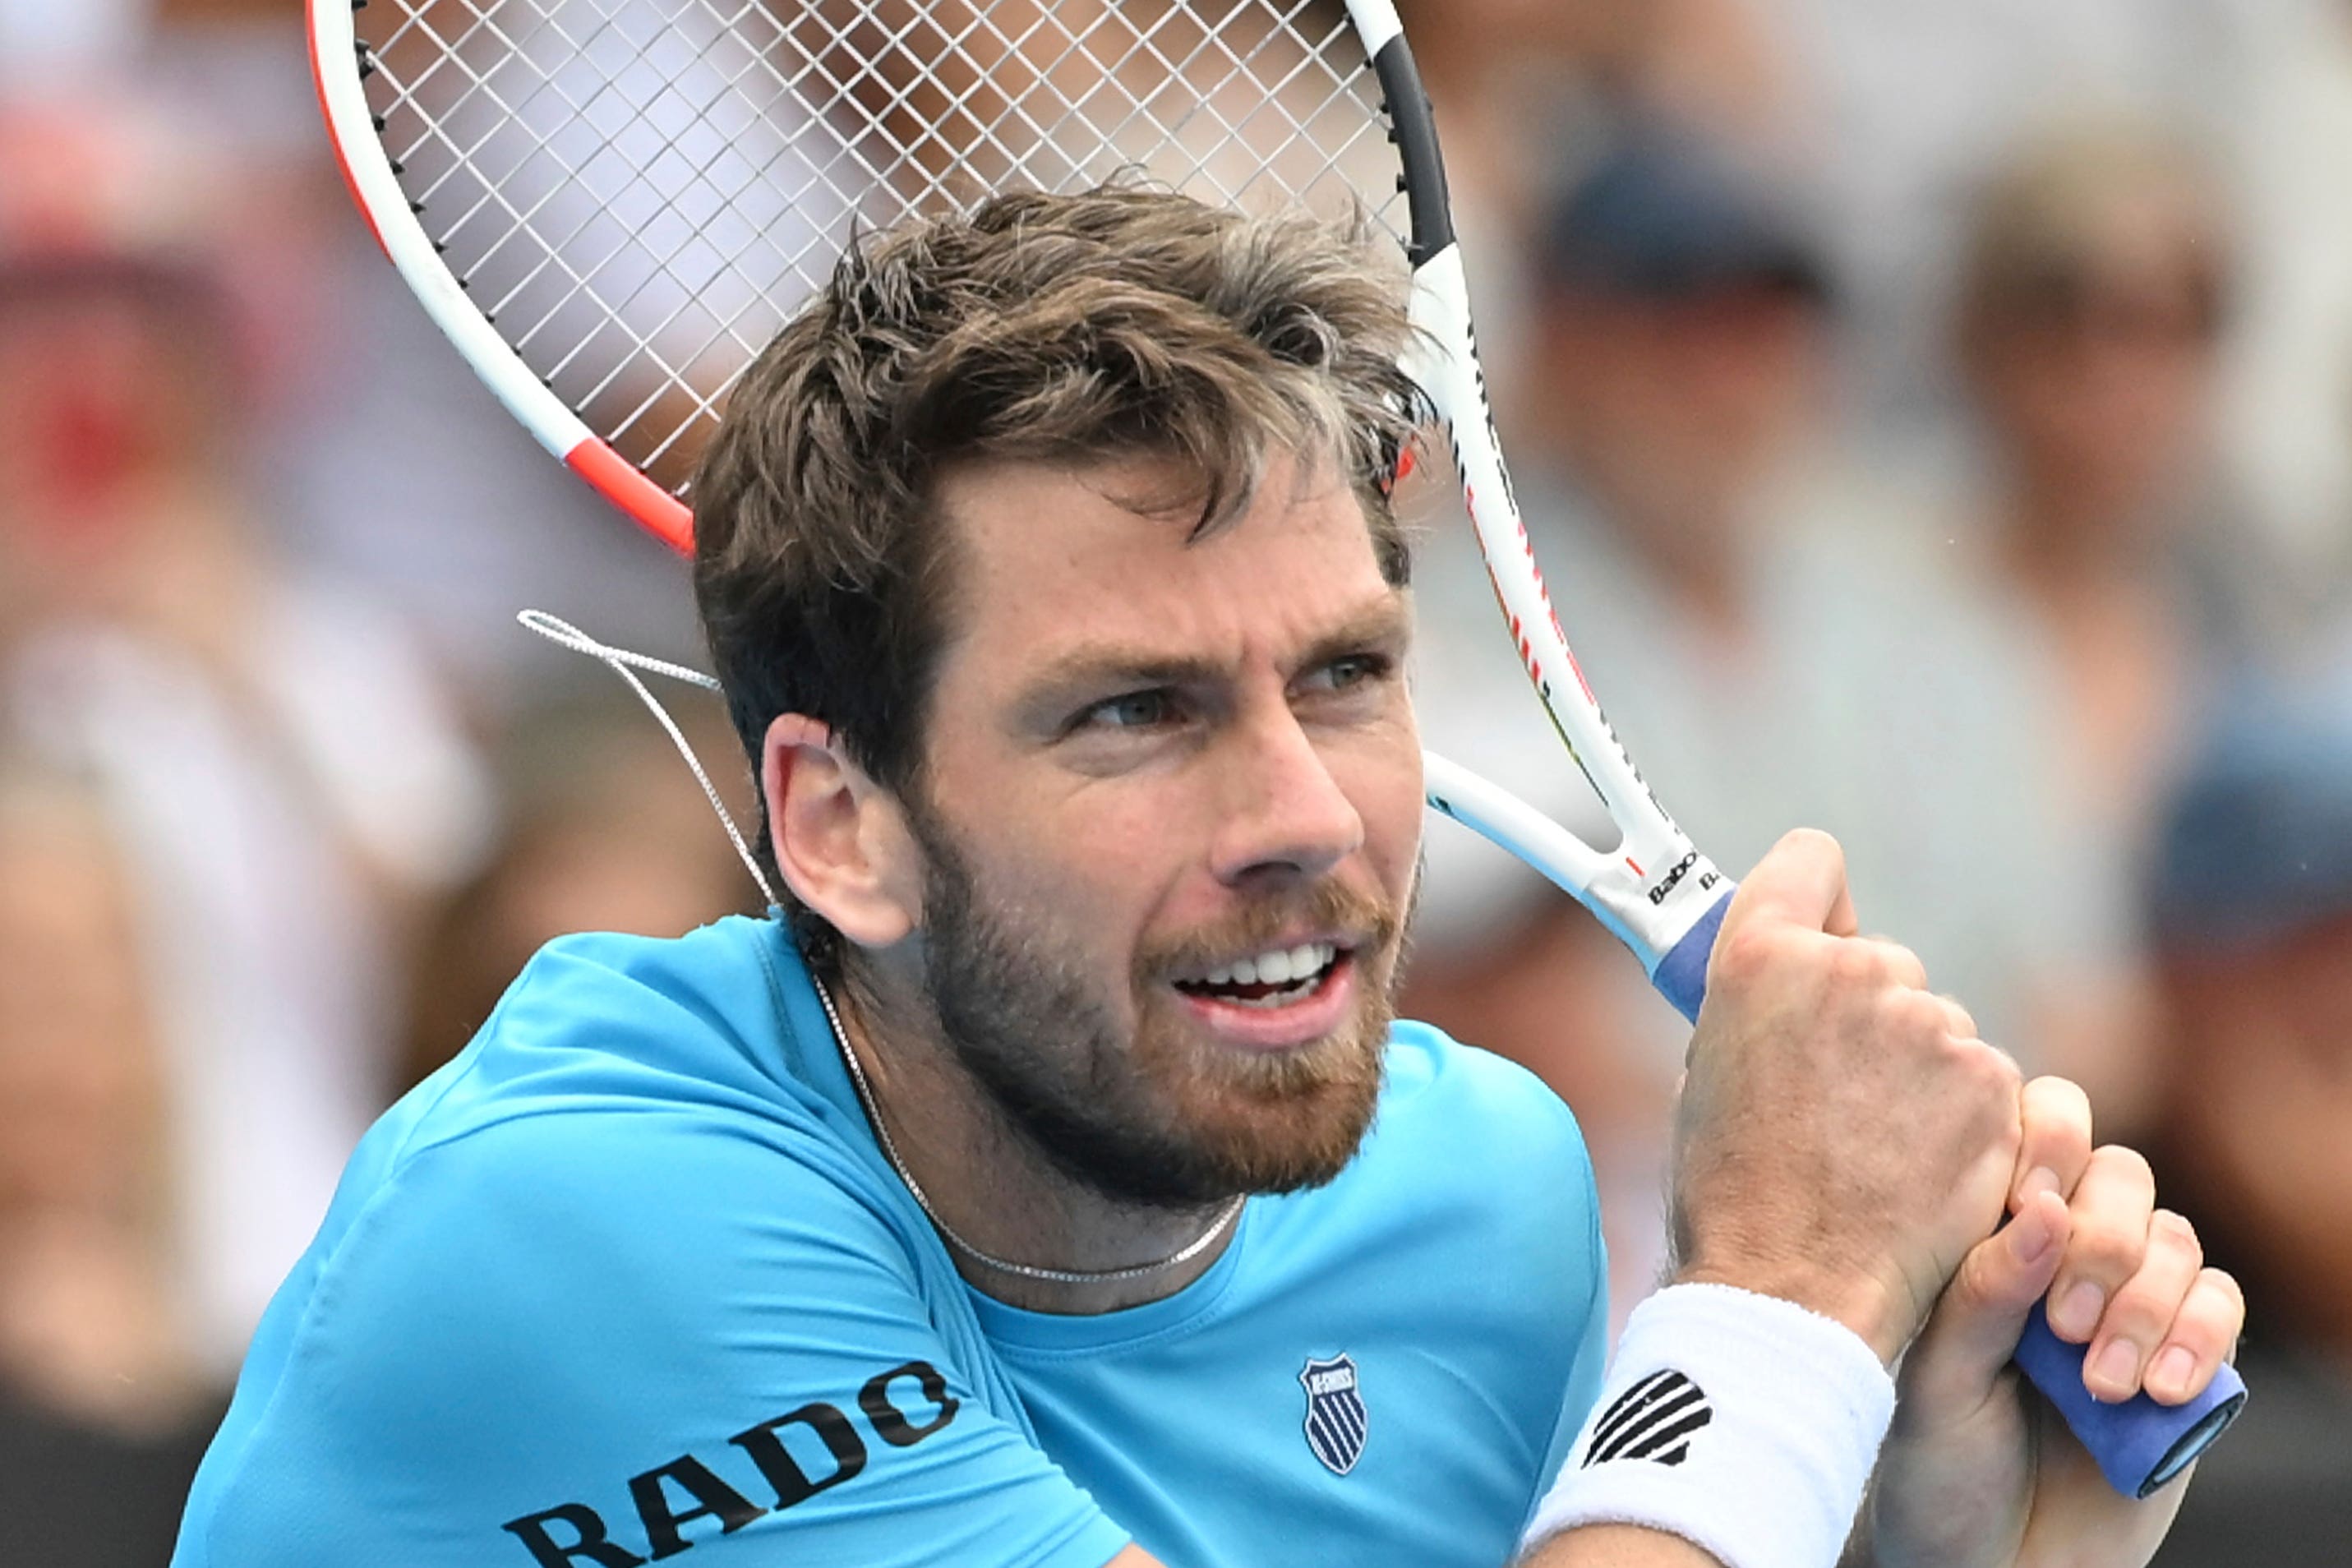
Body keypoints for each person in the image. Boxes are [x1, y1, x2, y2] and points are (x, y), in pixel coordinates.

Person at [173, 189, 2239, 1568]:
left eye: (1342, 675)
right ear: (837, 827)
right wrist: (1783, 1310)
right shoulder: (582, 1226)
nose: (1306, 816)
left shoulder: (1477, 1190)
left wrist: (1956, 1537)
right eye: (1133, 713)